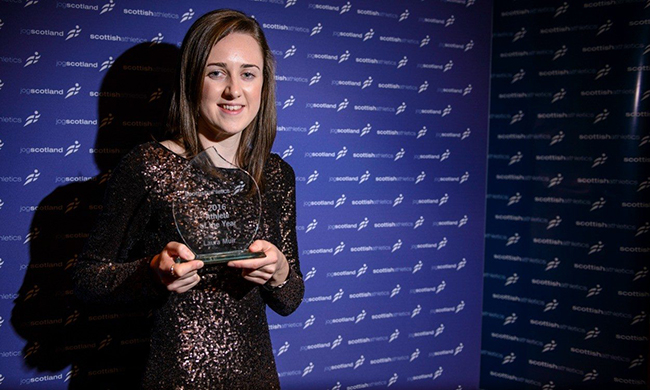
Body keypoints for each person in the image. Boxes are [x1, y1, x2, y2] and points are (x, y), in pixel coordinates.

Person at [73, 9, 304, 389]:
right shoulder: (147, 166)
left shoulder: (277, 175)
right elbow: (87, 279)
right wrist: (150, 273)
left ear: (264, 84)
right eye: (217, 72)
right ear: (192, 79)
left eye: (248, 73)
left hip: (255, 378)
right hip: (171, 378)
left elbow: (290, 299)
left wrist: (279, 273)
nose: (234, 90)